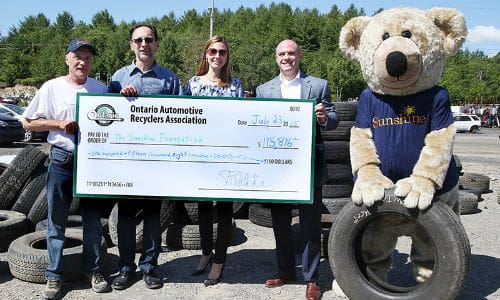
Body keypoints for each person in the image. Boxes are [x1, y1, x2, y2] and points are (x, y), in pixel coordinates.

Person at [22, 39, 111, 299]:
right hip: (62, 159)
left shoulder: (101, 89)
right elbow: (28, 123)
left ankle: (93, 270)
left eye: (88, 57)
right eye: (78, 56)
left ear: (93, 62)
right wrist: (59, 123)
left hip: (92, 162)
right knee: (56, 221)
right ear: (67, 59)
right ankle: (54, 275)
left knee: (93, 222)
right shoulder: (51, 88)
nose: (83, 61)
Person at [256, 39, 339, 300]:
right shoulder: (264, 89)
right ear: (276, 57)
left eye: (291, 53)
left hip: (309, 166)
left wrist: (325, 118)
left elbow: (335, 120)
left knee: (310, 226)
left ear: (299, 56)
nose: (287, 58)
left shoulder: (318, 85)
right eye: (282, 53)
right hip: (278, 168)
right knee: (280, 224)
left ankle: (312, 279)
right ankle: (285, 270)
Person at [107, 24, 181, 290]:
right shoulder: (117, 78)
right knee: (125, 215)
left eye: (148, 39)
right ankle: (126, 267)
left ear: (157, 44)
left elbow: (181, 120)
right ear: (131, 45)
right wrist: (120, 97)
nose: (143, 44)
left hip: (155, 162)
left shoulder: (170, 80)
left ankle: (149, 267)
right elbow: (108, 118)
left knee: (152, 216)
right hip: (127, 161)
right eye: (138, 39)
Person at [183, 35, 244, 286]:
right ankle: (206, 252)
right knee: (204, 209)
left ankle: (219, 261)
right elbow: (183, 118)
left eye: (222, 52)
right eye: (213, 51)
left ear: (227, 56)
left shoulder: (236, 85)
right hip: (201, 156)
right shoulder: (192, 84)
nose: (217, 56)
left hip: (227, 157)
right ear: (206, 55)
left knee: (224, 210)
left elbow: (242, 120)